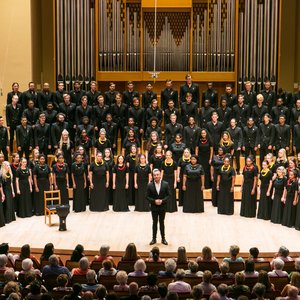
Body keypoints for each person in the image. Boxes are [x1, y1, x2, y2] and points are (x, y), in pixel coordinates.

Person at [146, 169, 170, 245]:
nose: (156, 176)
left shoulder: (165, 184)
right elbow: (147, 196)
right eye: (155, 175)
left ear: (160, 175)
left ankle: (163, 239)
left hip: (163, 206)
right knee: (154, 222)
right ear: (153, 176)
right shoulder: (149, 185)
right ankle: (154, 239)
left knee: (162, 222)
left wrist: (162, 201)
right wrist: (154, 201)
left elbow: (169, 195)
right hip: (154, 207)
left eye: (157, 175)